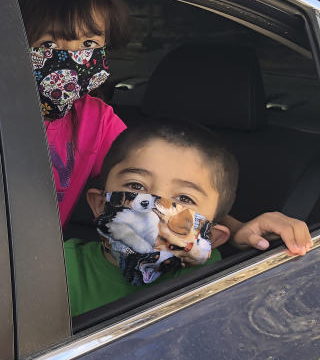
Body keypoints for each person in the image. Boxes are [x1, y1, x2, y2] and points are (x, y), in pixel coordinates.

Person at [20, 0, 311, 255]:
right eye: (48, 45)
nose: (72, 59)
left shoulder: (94, 121)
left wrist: (238, 231)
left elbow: (163, 182)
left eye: (88, 45)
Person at [64, 119, 240, 316]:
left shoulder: (214, 278)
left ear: (210, 238)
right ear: (99, 204)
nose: (153, 211)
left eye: (183, 198)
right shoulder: (58, 269)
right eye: (136, 186)